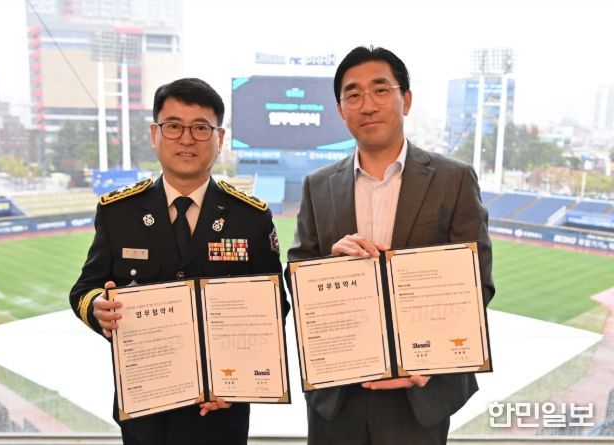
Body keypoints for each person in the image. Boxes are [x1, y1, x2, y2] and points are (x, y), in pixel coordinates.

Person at [287, 46, 495, 445]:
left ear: (407, 100)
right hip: (338, 395)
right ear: (341, 110)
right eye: (353, 95)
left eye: (381, 90)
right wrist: (327, 267)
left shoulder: (453, 179)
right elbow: (296, 275)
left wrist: (430, 361)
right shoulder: (317, 185)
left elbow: (476, 285)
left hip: (418, 395)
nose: (367, 105)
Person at [70, 77, 288, 445]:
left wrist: (240, 381)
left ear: (220, 139)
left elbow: (274, 306)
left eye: (201, 128)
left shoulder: (251, 218)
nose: (186, 139)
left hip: (221, 414)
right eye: (173, 126)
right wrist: (97, 308)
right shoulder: (118, 213)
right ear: (154, 134)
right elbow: (84, 289)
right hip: (144, 414)